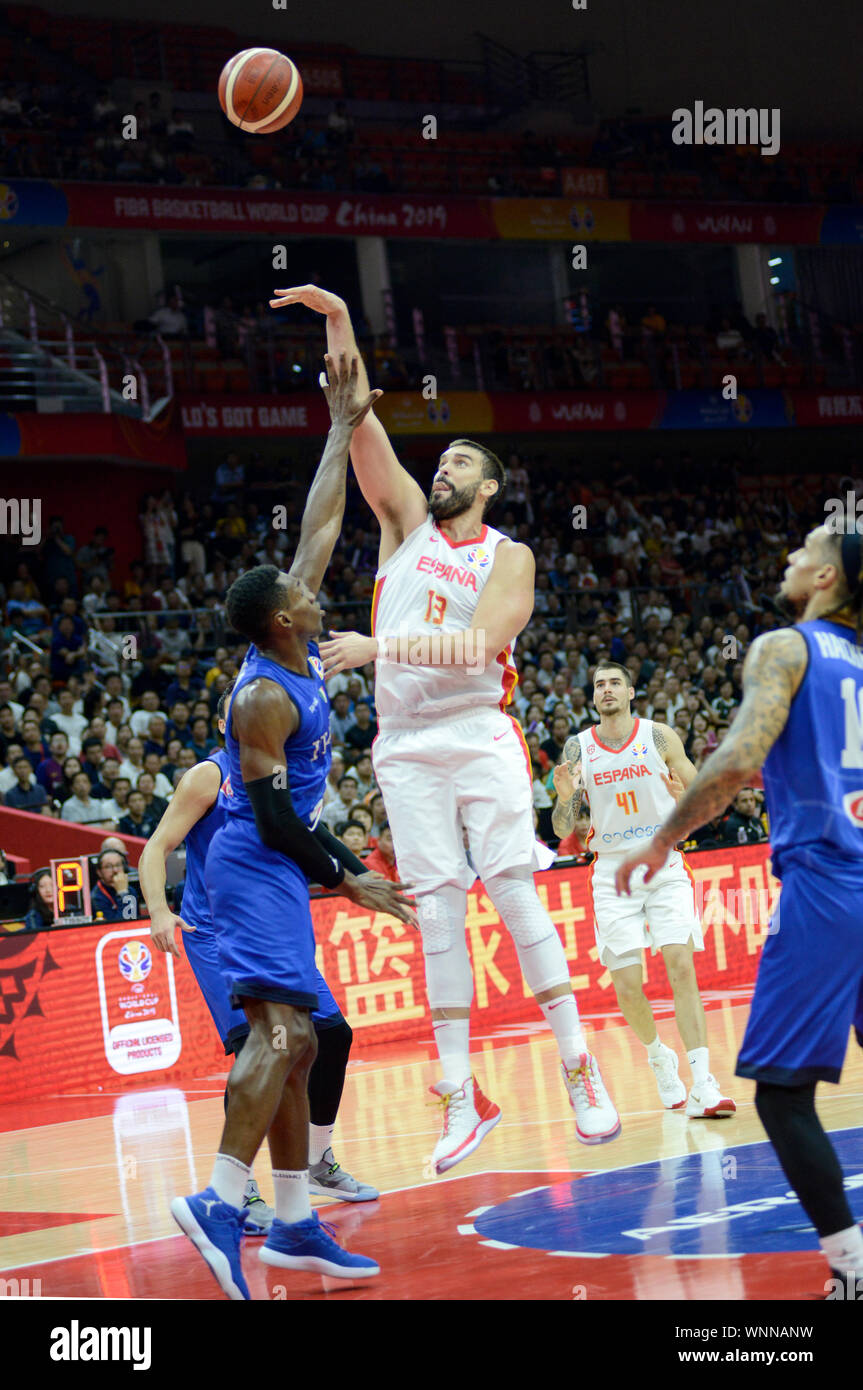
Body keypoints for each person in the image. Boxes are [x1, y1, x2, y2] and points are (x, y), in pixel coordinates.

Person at [272, 283, 621, 1167]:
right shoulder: (403, 526)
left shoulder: (511, 555)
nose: (445, 469)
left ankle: (579, 1065)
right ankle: (460, 1096)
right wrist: (339, 321)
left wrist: (379, 645)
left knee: (511, 892)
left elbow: (479, 646)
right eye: (444, 459)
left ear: (490, 486)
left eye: (463, 461)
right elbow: (354, 418)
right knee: (436, 914)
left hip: (478, 731)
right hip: (405, 747)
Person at [169, 354, 416, 1299]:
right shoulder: (264, 698)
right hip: (245, 862)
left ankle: (297, 1225)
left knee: (306, 1039)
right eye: (306, 596)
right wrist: (350, 876)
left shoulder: (291, 638)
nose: (322, 593)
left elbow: (320, 525)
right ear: (279, 620)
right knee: (275, 1037)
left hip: (270, 861)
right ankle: (220, 1204)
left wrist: (337, 427)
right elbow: (271, 818)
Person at [615, 519, 863, 1295]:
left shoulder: (784, 647)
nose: (789, 558)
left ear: (826, 580)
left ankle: (849, 1268)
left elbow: (736, 757)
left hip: (829, 885)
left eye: (803, 552)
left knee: (781, 1093)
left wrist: (661, 839)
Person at [140, 685, 380, 1239]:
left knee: (331, 1036)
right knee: (259, 1049)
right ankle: (238, 1190)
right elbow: (155, 848)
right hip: (217, 936)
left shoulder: (280, 774)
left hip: (275, 929)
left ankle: (318, 1162)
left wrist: (361, 880)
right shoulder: (208, 775)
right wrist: (157, 910)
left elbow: (311, 832)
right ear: (231, 718)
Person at [552, 661, 736, 1116]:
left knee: (680, 966)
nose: (607, 690)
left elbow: (702, 799)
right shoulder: (579, 749)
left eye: (615, 682)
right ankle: (659, 1057)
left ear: (631, 691)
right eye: (599, 685)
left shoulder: (658, 736)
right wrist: (562, 797)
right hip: (612, 872)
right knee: (629, 986)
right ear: (592, 698)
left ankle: (704, 1082)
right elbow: (563, 828)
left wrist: (683, 799)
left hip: (664, 861)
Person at [91, 849, 139, 922]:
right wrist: (122, 894)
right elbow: (118, 925)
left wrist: (124, 892)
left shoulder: (130, 890)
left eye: (118, 865)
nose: (115, 870)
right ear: (99, 872)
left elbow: (133, 919)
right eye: (108, 867)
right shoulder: (96, 897)